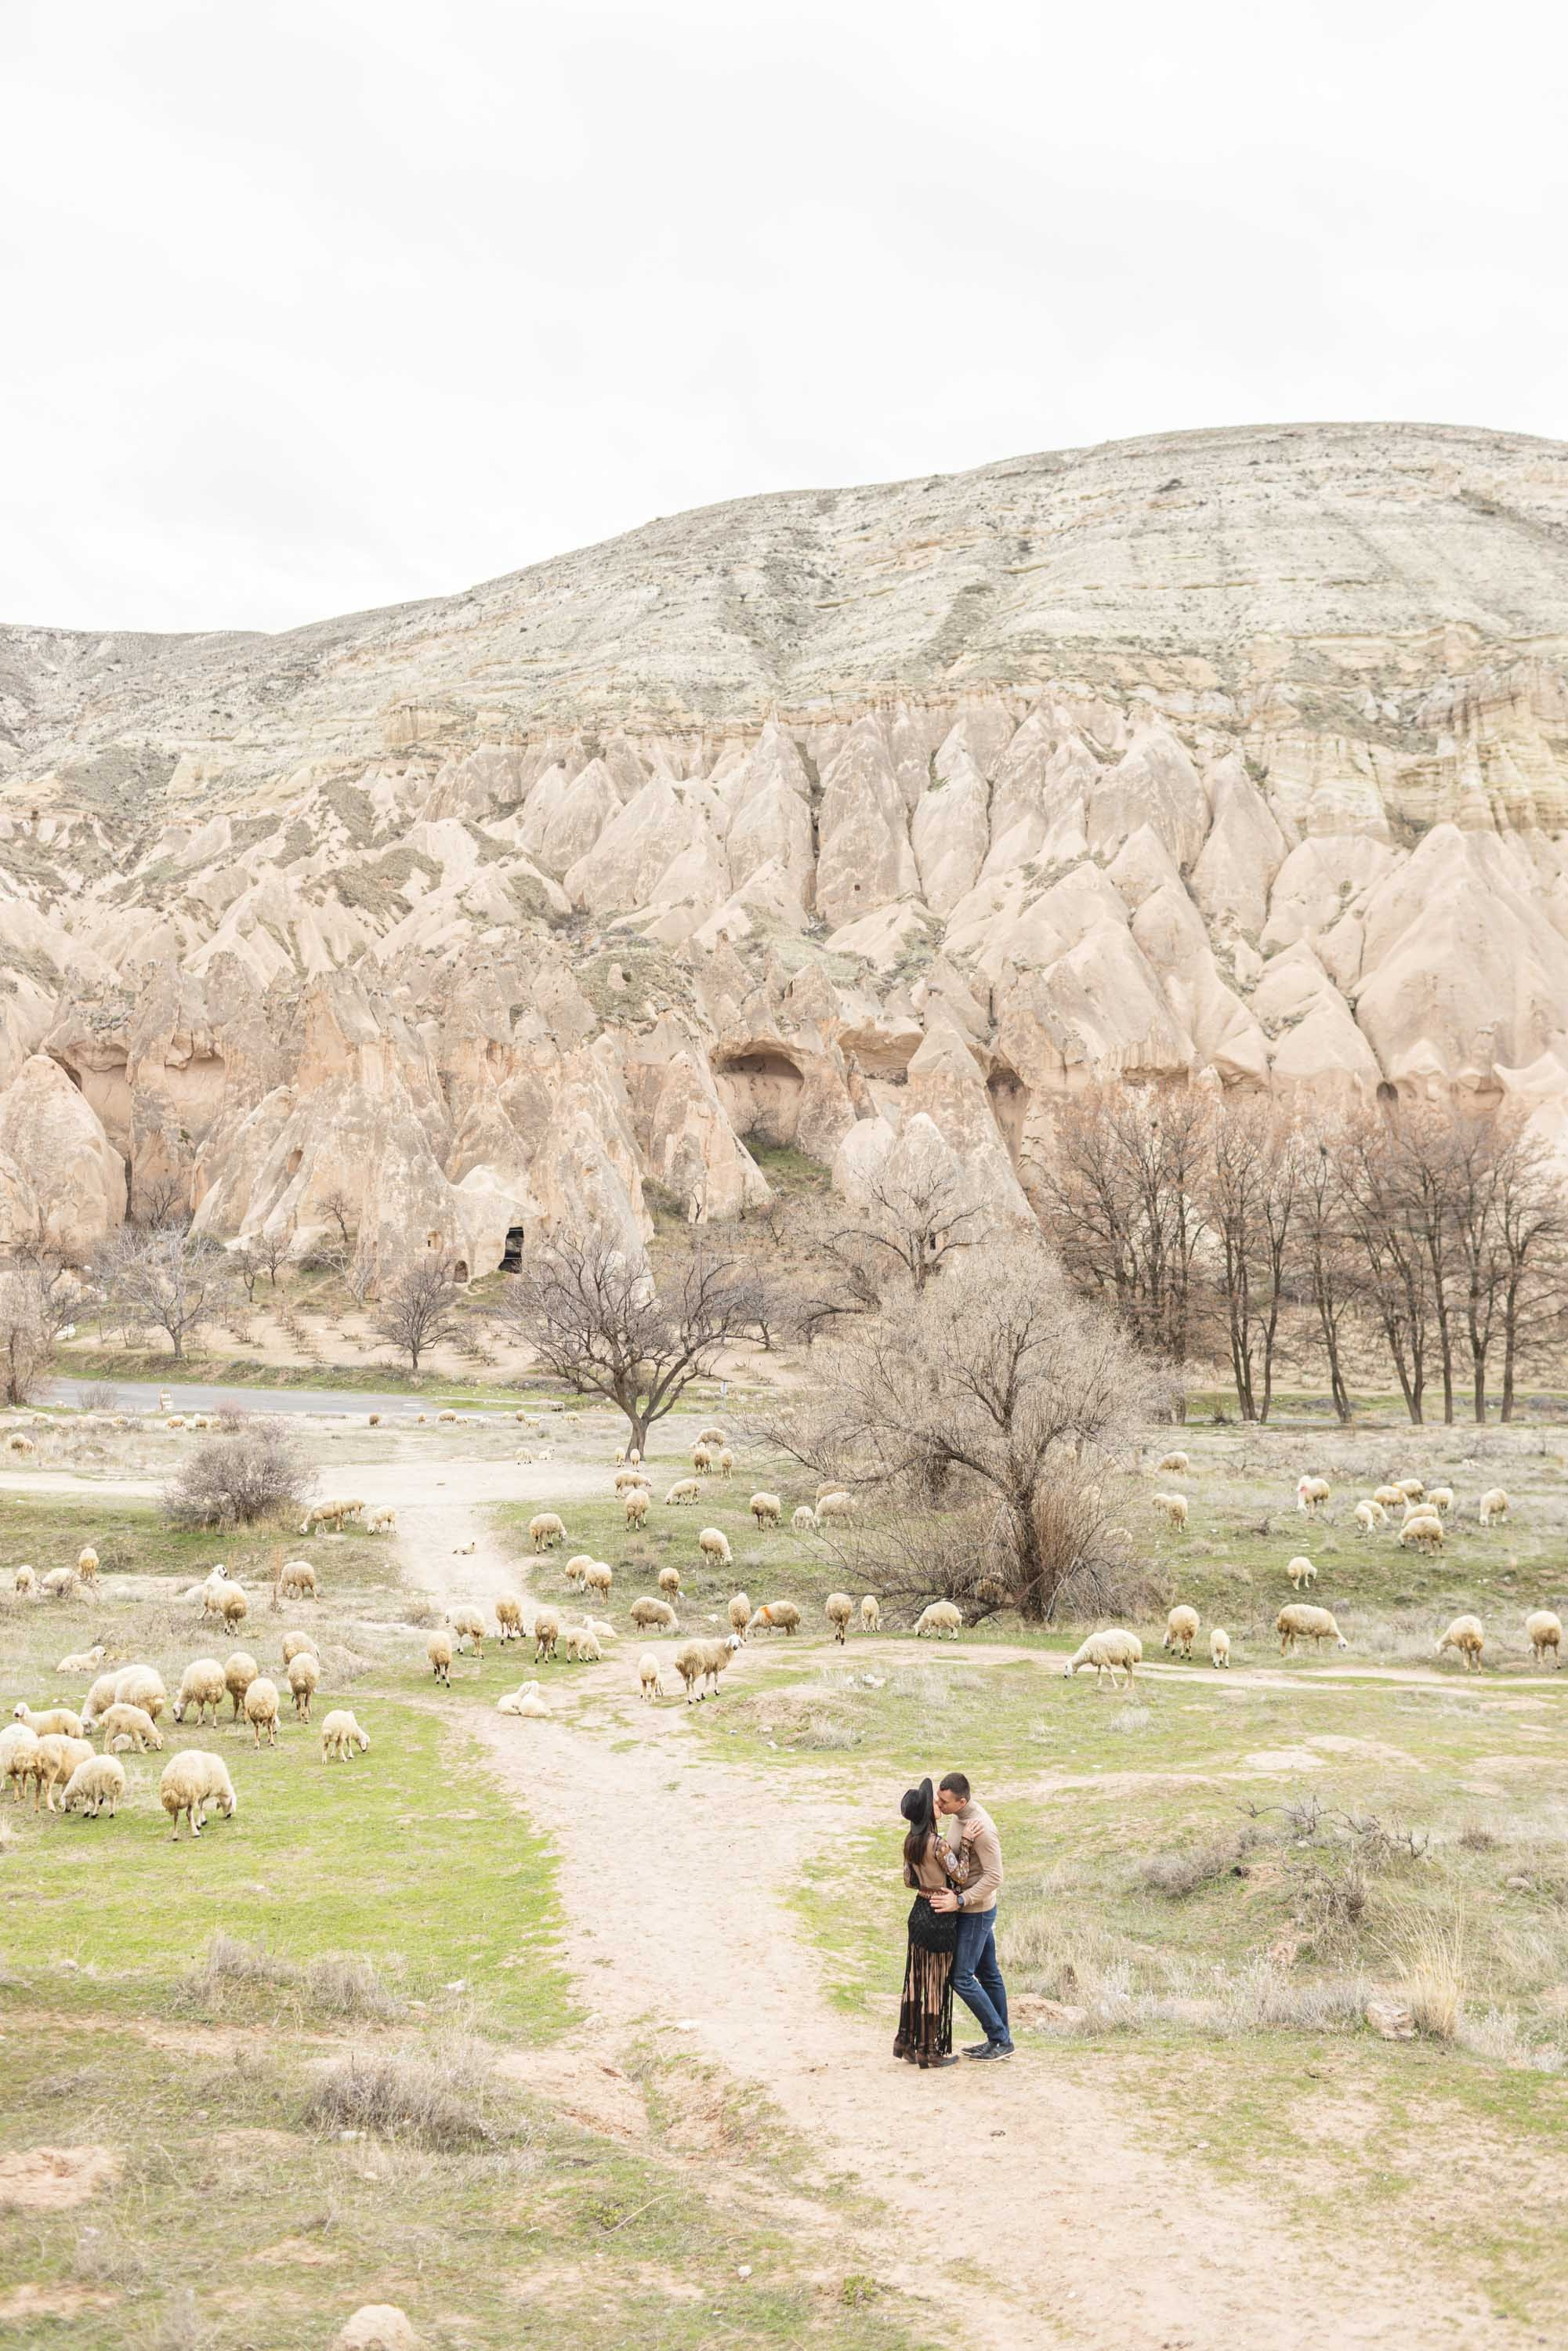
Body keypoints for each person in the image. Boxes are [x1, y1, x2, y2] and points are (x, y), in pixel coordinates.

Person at [928, 1770, 1012, 2059]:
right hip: (972, 1909)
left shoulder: (983, 1829)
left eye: (944, 1801)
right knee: (988, 1974)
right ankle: (1002, 2040)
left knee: (961, 1977)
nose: (939, 1804)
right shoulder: (958, 1817)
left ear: (961, 1801)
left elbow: (995, 1876)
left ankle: (999, 2038)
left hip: (976, 1912)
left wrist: (960, 1900)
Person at [893, 1777, 963, 2068]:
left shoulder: (911, 1843)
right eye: (934, 1803)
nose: (938, 1804)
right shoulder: (939, 1845)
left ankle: (907, 2042)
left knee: (915, 1979)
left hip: (919, 1911)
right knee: (935, 1982)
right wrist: (967, 1847)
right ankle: (929, 2050)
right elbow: (960, 1875)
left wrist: (926, 1885)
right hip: (939, 1915)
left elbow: (910, 1881)